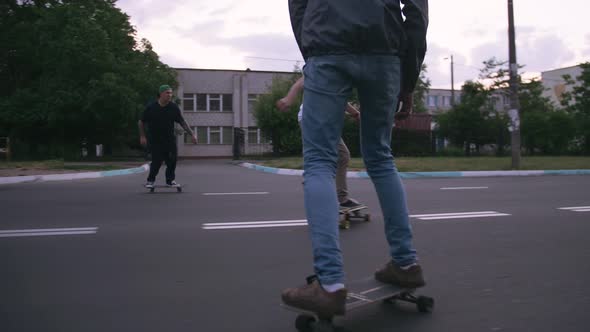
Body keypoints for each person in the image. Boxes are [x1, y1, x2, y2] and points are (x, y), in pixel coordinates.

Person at [281, 0, 429, 318]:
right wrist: (409, 77)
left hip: (327, 44)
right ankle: (405, 263)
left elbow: (298, 5)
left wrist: (312, 47)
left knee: (320, 162)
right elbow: (417, 7)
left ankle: (330, 285)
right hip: (384, 48)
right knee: (380, 157)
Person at [276, 76, 364, 211]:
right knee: (331, 158)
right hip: (315, 119)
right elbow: (304, 78)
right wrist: (289, 97)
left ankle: (330, 195)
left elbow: (342, 101)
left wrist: (355, 114)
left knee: (337, 156)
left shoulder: (339, 71)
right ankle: (336, 198)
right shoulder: (330, 64)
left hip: (317, 119)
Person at [139, 85, 197, 188]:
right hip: (155, 139)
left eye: (171, 93)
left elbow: (182, 122)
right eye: (167, 93)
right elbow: (141, 122)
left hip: (169, 139)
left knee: (172, 160)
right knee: (157, 161)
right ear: (161, 94)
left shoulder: (173, 107)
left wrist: (192, 134)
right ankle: (150, 181)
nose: (170, 95)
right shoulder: (151, 107)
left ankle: (170, 180)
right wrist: (142, 136)